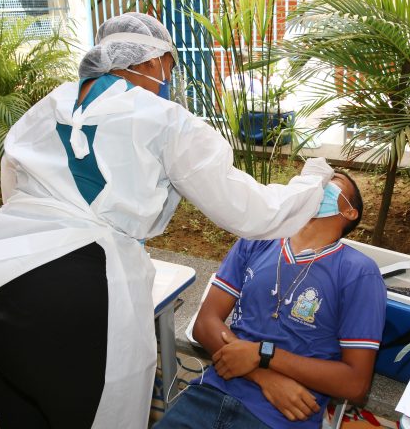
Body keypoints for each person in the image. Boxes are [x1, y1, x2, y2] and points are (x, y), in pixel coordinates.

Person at [0, 12, 334, 429]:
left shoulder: (45, 107)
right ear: (157, 61)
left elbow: (13, 191)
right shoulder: (165, 120)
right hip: (66, 309)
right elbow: (253, 213)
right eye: (169, 68)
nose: (167, 80)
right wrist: (312, 180)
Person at [154, 171, 387, 428]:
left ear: (350, 212)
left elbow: (356, 384)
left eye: (333, 183)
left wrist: (263, 353)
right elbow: (205, 325)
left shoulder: (359, 272)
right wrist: (261, 373)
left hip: (280, 418)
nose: (320, 185)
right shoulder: (257, 241)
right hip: (210, 394)